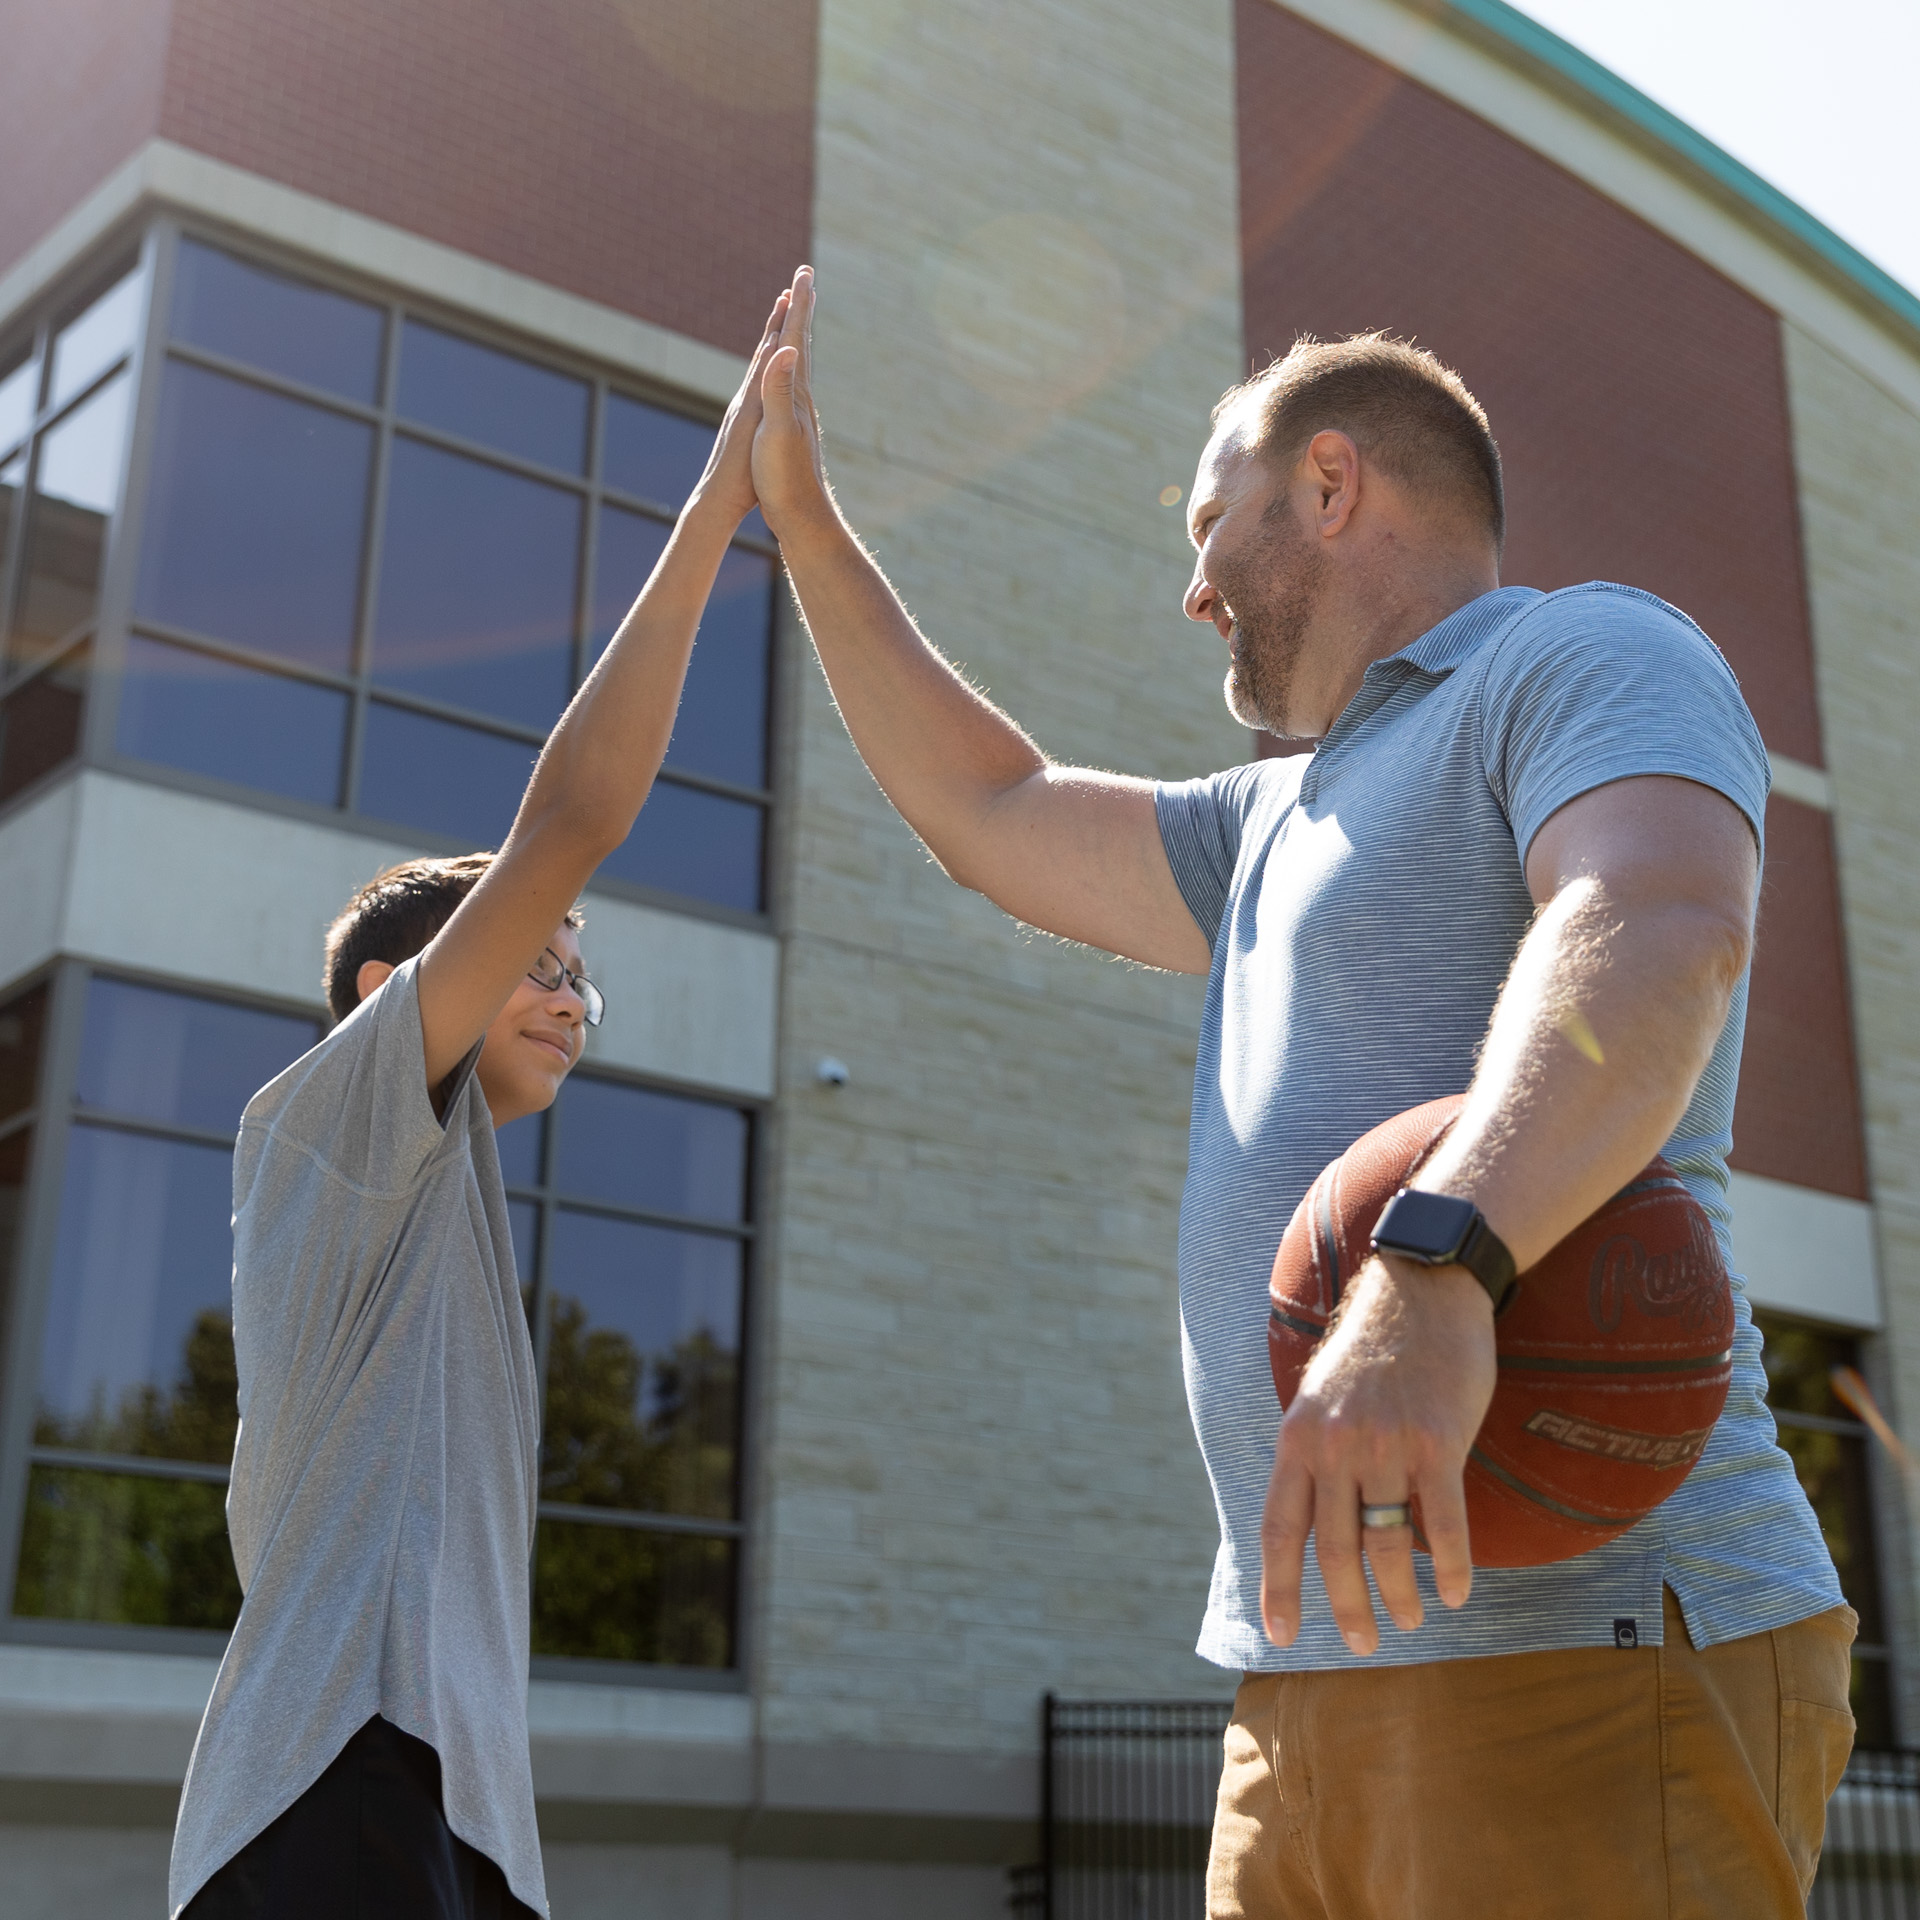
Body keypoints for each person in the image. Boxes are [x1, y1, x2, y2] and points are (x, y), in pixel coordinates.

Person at [746, 267, 1856, 1917]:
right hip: (1298, 1680)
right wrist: (809, 528)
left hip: (1588, 1645)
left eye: (1211, 526)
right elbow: (991, 806)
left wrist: (1437, 1270)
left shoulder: (1581, 656)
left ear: (1329, 484)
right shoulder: (1263, 822)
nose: (1193, 589)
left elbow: (1659, 924)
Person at [167, 290, 796, 1920]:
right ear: (396, 997)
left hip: (446, 1808)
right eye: (543, 964)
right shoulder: (340, 1123)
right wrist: (727, 502)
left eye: (588, 980)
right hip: (335, 1791)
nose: (571, 999)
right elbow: (573, 819)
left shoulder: (444, 1201)